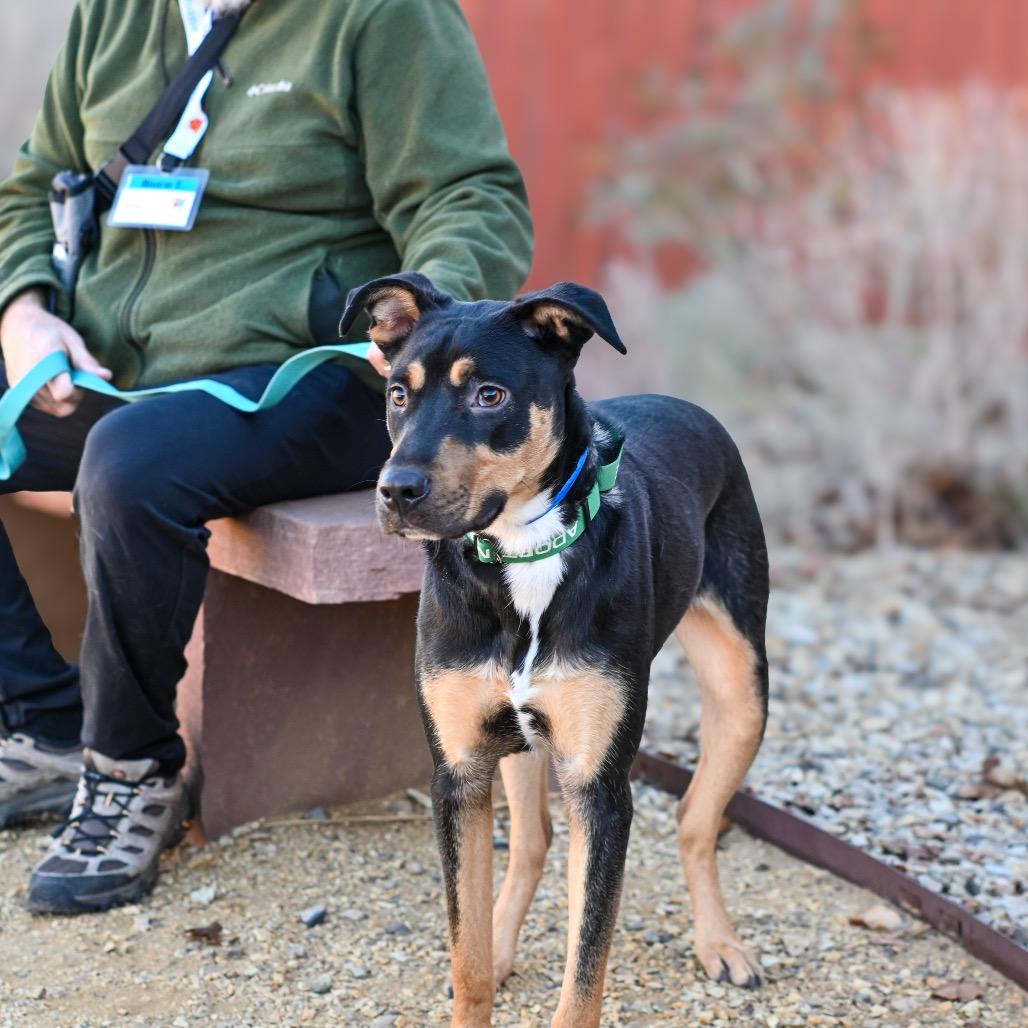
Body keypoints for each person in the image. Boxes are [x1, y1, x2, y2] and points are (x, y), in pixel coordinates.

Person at [0, 0, 532, 913]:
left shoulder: (383, 15)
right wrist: (24, 312)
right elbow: (32, 182)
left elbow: (469, 196)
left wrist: (427, 330)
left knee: (130, 465)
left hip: (310, 373)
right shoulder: (112, 15)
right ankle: (41, 726)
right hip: (114, 364)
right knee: (127, 439)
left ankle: (129, 770)